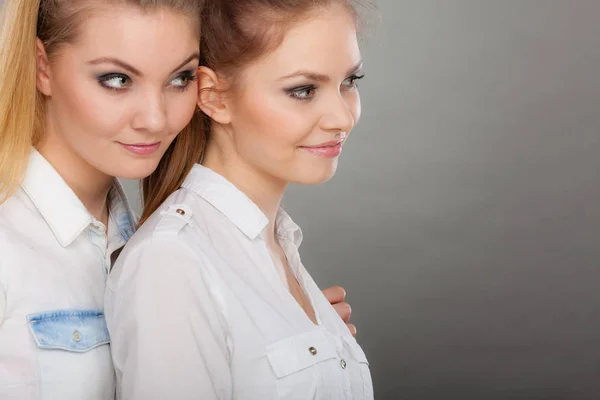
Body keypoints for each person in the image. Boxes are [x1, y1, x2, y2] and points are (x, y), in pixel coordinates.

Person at [0, 0, 355, 398]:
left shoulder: (150, 241)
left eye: (180, 78)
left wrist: (274, 346)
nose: (155, 118)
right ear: (42, 66)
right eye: (117, 80)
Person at [105, 0, 373, 399]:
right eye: (303, 90)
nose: (342, 117)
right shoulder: (172, 262)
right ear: (214, 96)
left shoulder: (276, 244)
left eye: (350, 81)